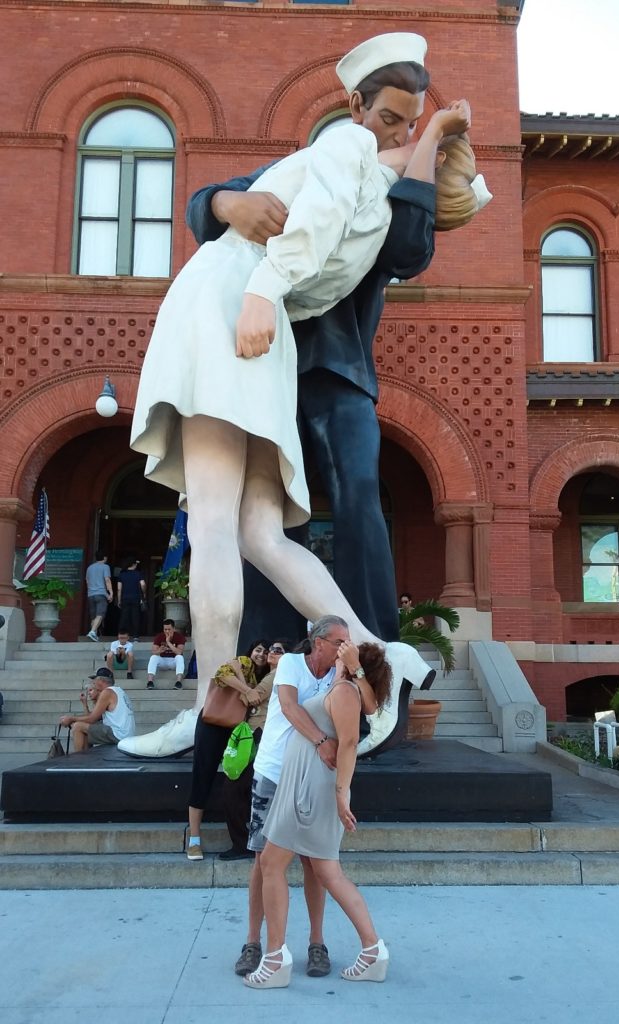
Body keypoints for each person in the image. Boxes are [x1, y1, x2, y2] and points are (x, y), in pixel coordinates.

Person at [121, 34, 486, 760]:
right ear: (363, 107)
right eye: (394, 121)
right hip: (273, 346)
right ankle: (381, 652)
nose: (400, 136)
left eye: (410, 129)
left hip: (247, 323)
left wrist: (259, 291)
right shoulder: (342, 160)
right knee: (257, 532)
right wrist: (228, 200)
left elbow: (373, 236)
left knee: (224, 523)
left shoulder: (359, 166)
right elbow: (222, 205)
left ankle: (208, 714)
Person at [234, 616, 377, 981]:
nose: (347, 645)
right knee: (263, 860)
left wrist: (357, 669)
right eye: (340, 640)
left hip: (311, 781)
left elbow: (371, 708)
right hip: (275, 772)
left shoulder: (342, 676)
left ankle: (316, 943)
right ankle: (254, 942)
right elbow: (290, 707)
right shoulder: (292, 665)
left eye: (350, 640)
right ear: (318, 642)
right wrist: (320, 741)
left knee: (316, 865)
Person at [185, 638, 269, 860]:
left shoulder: (267, 676)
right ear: (251, 650)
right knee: (203, 776)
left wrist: (245, 686)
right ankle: (194, 839)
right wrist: (245, 687)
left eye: (266, 651)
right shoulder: (243, 661)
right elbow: (222, 674)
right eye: (258, 649)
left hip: (237, 729)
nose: (261, 654)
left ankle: (243, 836)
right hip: (213, 724)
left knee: (237, 776)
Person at [219, 638, 292, 861]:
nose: (272, 652)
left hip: (258, 735)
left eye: (279, 650)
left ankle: (243, 844)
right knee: (243, 790)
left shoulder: (276, 675)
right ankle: (249, 842)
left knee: (233, 789)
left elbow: (249, 698)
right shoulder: (273, 675)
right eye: (271, 649)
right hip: (259, 736)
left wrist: (239, 674)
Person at [59, 666, 135, 751]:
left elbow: (92, 719)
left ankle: (78, 761)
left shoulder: (107, 692)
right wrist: (84, 705)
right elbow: (94, 718)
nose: (93, 682)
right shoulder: (119, 691)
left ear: (101, 680)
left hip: (119, 735)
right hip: (126, 734)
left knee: (77, 727)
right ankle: (86, 759)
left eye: (95, 680)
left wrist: (70, 719)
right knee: (84, 730)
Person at [147, 618, 186, 689]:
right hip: (163, 661)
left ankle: (178, 682)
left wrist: (168, 642)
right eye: (165, 629)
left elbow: (179, 652)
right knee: (153, 657)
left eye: (169, 629)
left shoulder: (179, 637)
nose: (167, 631)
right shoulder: (159, 636)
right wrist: (159, 651)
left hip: (174, 661)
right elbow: (153, 652)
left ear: (174, 629)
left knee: (180, 657)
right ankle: (150, 682)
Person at [85, 551, 112, 642]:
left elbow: (87, 581)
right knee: (100, 614)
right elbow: (107, 580)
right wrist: (110, 592)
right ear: (104, 557)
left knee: (94, 616)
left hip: (91, 594)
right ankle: (92, 632)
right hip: (101, 594)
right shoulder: (105, 567)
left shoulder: (90, 568)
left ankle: (94, 634)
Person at [117, 556, 146, 639]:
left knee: (124, 617)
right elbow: (143, 584)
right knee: (135, 616)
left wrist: (119, 600)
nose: (136, 565)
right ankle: (136, 636)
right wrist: (144, 594)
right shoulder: (138, 574)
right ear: (133, 564)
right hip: (136, 598)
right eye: (136, 564)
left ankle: (122, 635)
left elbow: (119, 589)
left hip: (125, 598)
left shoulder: (122, 574)